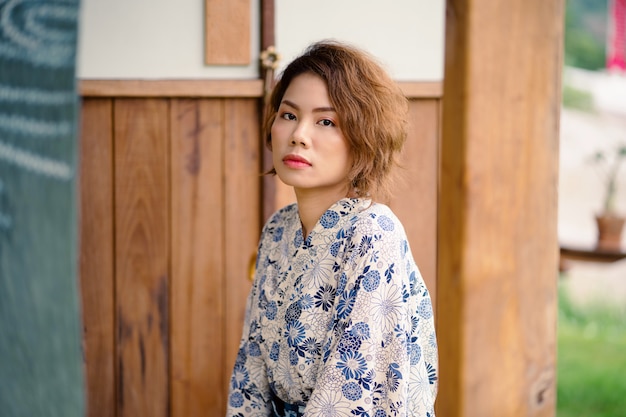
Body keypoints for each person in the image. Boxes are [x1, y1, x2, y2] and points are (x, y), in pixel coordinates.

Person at [226, 40, 438, 417]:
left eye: (326, 121)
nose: (299, 135)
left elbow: (350, 394)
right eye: (289, 115)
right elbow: (251, 368)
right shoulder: (278, 229)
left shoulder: (373, 232)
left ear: (363, 137)